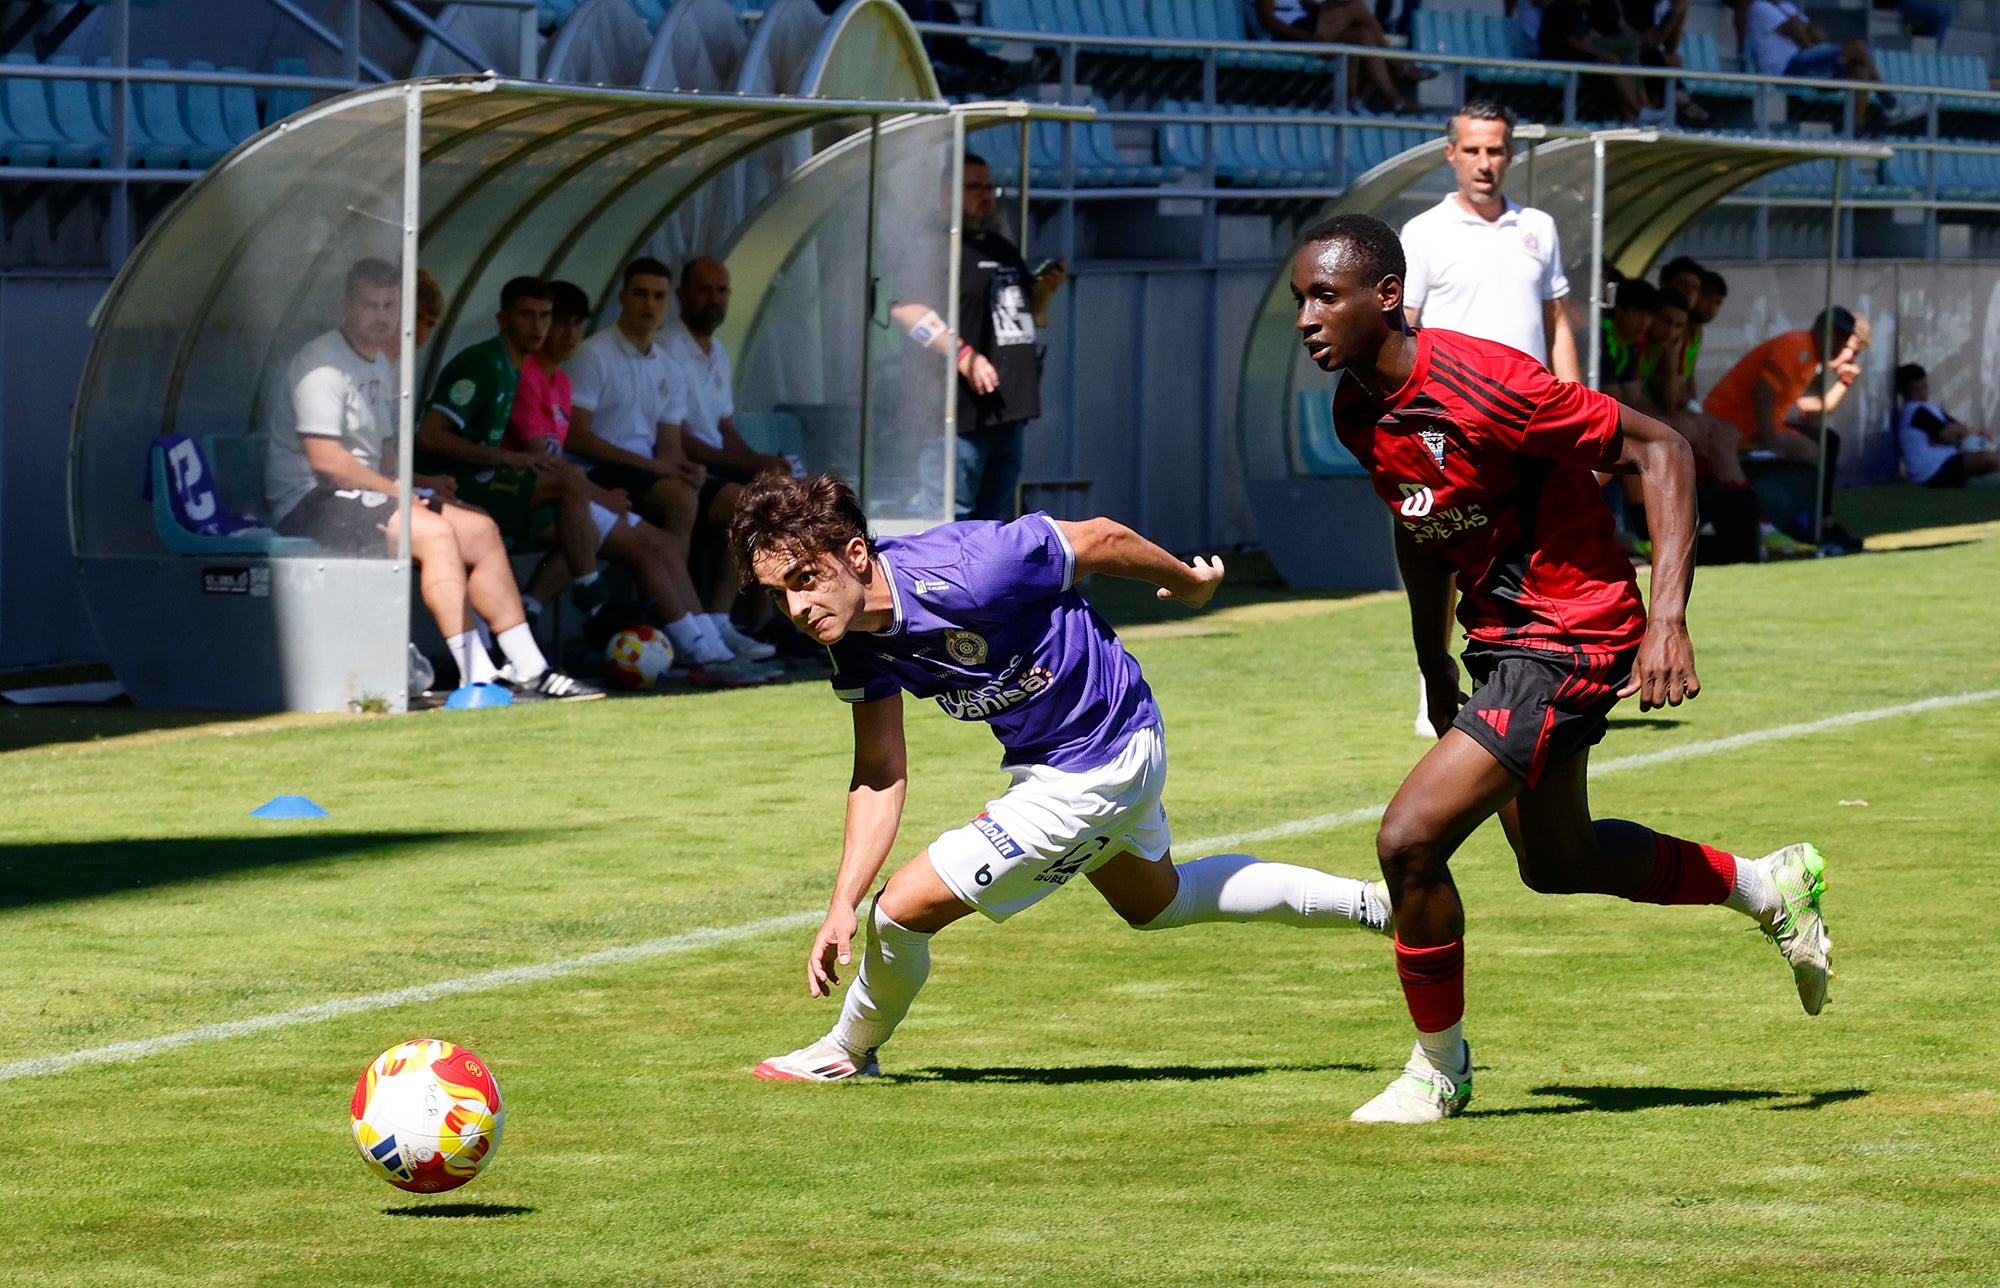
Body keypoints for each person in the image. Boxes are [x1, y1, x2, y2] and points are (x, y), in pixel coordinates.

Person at [1288, 215, 1831, 1124]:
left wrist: (1668, 619)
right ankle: (1766, 885)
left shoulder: (1486, 381)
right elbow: (1419, 522)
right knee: (1557, 860)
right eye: (1300, 298)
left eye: (1324, 296)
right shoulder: (1357, 410)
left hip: (1574, 632)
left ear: (1387, 296)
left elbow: (1663, 449)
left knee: (1408, 840)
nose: (1307, 317)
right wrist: (1431, 657)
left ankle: (1438, 1071)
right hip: (1502, 641)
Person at [735, 471, 1394, 1081]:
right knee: (1158, 903)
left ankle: (848, 1050)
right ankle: (1378, 906)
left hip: (1098, 759)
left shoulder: (969, 566)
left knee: (901, 912)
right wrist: (841, 901)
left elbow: (1101, 539)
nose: (797, 607)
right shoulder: (852, 637)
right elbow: (880, 770)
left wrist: (1189, 584)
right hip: (1088, 753)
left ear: (855, 555)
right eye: (777, 594)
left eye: (804, 578)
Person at [263, 258, 600, 702]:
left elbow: (384, 449)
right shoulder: (322, 364)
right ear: (346, 307)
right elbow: (326, 460)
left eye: (389, 306)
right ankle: (476, 675)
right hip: (310, 501)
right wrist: (399, 492)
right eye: (369, 305)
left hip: (363, 494)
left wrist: (414, 484)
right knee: (437, 535)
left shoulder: (379, 362)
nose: (381, 316)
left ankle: (529, 668)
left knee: (481, 530)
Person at [502, 279, 773, 687]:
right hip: (550, 491)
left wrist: (680, 467)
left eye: (570, 322)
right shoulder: (564, 365)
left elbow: (667, 446)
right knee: (648, 537)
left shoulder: (558, 379)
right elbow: (555, 456)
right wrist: (603, 493)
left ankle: (708, 637)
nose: (561, 332)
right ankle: (698, 647)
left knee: (662, 535)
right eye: (546, 319)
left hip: (572, 492)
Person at [1401, 102, 1581, 384]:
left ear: (1509, 155)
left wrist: (1577, 403)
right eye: (1472, 151)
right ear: (1451, 154)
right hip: (1456, 403)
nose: (1484, 164)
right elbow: (1403, 327)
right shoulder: (1421, 232)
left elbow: (1556, 323)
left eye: (1494, 151)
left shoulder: (1538, 225)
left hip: (1529, 401)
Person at [664, 256, 796, 634]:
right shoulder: (667, 348)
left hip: (715, 466)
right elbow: (678, 439)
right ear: (681, 294)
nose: (714, 299)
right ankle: (726, 622)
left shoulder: (718, 351)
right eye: (704, 290)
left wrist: (756, 460)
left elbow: (723, 426)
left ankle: (764, 621)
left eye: (721, 291)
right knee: (754, 507)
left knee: (782, 491)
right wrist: (746, 464)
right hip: (684, 467)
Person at [1740, 0, 1909, 125]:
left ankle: (1855, 130)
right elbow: (1794, 31)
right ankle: (1889, 101)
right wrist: (1806, 33)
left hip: (1804, 66)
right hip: (1784, 71)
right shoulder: (1759, 6)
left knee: (1859, 69)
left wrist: (1806, 29)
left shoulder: (1787, 7)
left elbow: (1820, 36)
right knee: (1857, 47)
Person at [1247, 0, 1426, 113]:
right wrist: (1307, 37)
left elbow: (1304, 7)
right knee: (1355, 5)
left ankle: (1390, 100)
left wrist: (1328, 8)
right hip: (1289, 36)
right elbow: (1268, 21)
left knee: (1364, 35)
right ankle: (1398, 64)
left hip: (1305, 26)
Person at [1537, 0, 1651, 123]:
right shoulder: (1565, 6)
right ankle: (1638, 112)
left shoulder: (1579, 10)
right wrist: (1602, 54)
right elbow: (1574, 42)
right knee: (1608, 64)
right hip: (1560, 59)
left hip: (1574, 57)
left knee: (1615, 61)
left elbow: (1584, 38)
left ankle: (1635, 113)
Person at [1895, 363, 1999, 487]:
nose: (1922, 393)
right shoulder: (1914, 410)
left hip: (1945, 463)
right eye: (1915, 390)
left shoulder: (1930, 408)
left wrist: (1944, 437)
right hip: (1934, 471)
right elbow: (1947, 435)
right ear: (1903, 392)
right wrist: (1949, 435)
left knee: (1990, 456)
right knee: (1989, 459)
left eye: (1924, 387)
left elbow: (1961, 429)